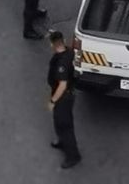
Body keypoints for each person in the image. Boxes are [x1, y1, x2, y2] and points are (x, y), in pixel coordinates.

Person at [47, 31, 81, 169]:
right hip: (65, 93)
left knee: (64, 125)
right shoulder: (69, 52)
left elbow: (62, 84)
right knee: (58, 120)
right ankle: (62, 141)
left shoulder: (61, 62)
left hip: (63, 96)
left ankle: (73, 156)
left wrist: (53, 100)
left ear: (53, 45)